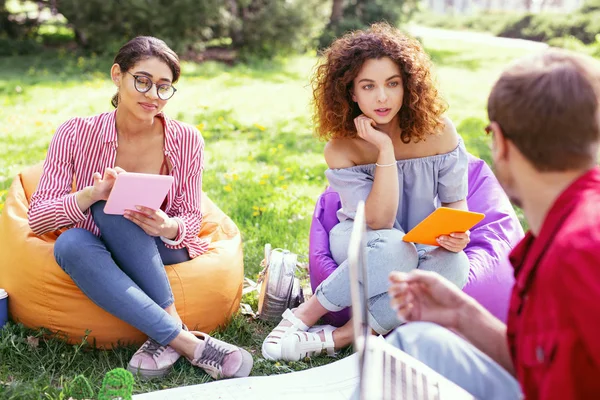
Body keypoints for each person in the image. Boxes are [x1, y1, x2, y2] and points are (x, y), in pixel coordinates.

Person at [28, 36, 253, 380]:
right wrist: (91, 194)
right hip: (96, 244)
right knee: (71, 241)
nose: (153, 96)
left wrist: (167, 226)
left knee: (111, 209)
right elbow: (38, 217)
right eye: (143, 81)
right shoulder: (74, 133)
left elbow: (192, 217)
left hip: (159, 248)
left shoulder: (186, 139)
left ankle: (167, 334)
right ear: (118, 75)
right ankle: (186, 341)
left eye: (164, 87)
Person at [387, 48, 600, 399]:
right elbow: (540, 367)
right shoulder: (559, 232)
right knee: (414, 342)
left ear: (498, 142)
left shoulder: (579, 250)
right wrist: (461, 314)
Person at [262, 22, 471, 362]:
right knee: (395, 248)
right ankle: (303, 316)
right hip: (362, 236)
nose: (382, 97)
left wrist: (457, 231)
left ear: (409, 87)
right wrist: (384, 150)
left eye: (392, 84)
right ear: (352, 93)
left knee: (456, 265)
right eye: (368, 86)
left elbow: (454, 200)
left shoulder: (439, 132)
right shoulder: (341, 147)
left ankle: (346, 336)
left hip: (419, 240)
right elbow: (378, 220)